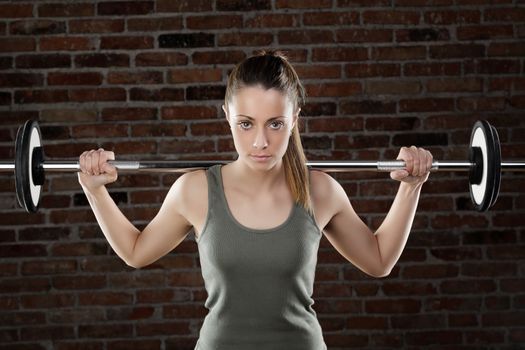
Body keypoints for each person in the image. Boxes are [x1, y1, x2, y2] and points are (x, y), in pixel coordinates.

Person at [78, 50, 433, 350]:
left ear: (294, 120)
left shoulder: (319, 191)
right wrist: (96, 191)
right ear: (227, 117)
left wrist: (411, 186)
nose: (260, 142)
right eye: (246, 124)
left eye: (275, 124)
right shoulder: (196, 190)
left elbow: (379, 260)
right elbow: (136, 251)